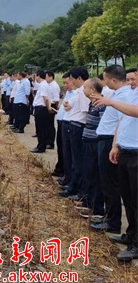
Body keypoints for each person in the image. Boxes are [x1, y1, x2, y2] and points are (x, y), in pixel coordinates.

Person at [90, 65, 134, 235]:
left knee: (111, 184)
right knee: (107, 182)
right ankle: (109, 217)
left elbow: (123, 121)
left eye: (105, 79)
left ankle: (113, 221)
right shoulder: (117, 95)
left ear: (113, 80)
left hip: (112, 140)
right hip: (109, 140)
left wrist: (115, 145)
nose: (104, 82)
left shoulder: (125, 96)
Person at [95, 89, 138, 261]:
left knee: (137, 200)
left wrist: (111, 102)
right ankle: (131, 235)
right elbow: (123, 120)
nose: (131, 82)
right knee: (128, 199)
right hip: (125, 151)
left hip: (136, 154)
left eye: (133, 78)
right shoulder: (133, 94)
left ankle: (137, 245)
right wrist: (115, 145)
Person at [59, 66, 90, 202]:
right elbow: (67, 106)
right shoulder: (78, 91)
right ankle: (73, 185)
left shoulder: (84, 92)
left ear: (79, 78)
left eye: (72, 79)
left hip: (79, 126)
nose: (71, 82)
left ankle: (78, 189)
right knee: (73, 159)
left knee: (78, 160)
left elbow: (86, 111)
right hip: (73, 124)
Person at [79, 78, 106, 220]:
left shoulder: (102, 105)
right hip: (87, 141)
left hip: (95, 142)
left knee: (95, 175)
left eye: (85, 87)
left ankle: (97, 208)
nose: (83, 90)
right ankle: (88, 203)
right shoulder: (92, 103)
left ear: (93, 90)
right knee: (88, 173)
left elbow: (103, 124)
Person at [52, 72, 72, 178]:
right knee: (60, 147)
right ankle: (60, 168)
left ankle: (64, 171)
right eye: (63, 83)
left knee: (65, 150)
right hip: (61, 122)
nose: (65, 85)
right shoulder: (68, 92)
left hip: (67, 123)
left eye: (67, 83)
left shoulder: (76, 93)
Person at [31, 70, 50, 153]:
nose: (35, 78)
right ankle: (42, 145)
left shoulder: (42, 85)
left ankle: (41, 147)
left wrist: (48, 108)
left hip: (41, 108)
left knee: (41, 129)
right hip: (42, 108)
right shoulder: (45, 84)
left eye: (35, 76)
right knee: (43, 129)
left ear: (38, 76)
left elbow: (46, 98)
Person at [45, 71, 60, 149]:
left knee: (50, 124)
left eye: (46, 77)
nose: (46, 79)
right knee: (47, 124)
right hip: (49, 104)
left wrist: (56, 107)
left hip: (52, 105)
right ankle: (47, 140)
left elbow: (56, 99)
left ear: (51, 77)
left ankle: (51, 142)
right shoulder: (49, 85)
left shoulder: (54, 86)